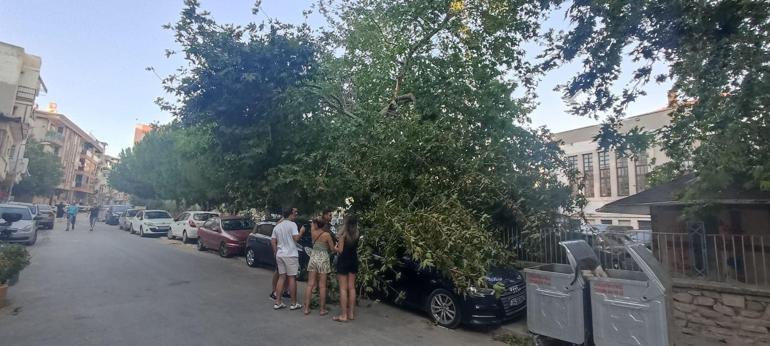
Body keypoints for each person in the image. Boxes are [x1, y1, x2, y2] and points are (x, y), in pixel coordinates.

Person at [271, 207, 306, 310]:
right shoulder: (292, 225)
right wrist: (302, 232)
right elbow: (296, 238)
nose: (296, 214)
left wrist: (275, 252)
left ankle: (278, 302)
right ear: (290, 214)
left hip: (280, 254)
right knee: (292, 278)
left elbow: (273, 241)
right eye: (294, 213)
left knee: (282, 277)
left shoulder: (278, 226)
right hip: (290, 254)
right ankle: (294, 303)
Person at [303, 218, 335, 315]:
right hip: (323, 258)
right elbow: (333, 249)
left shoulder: (313, 232)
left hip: (313, 257)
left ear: (316, 225)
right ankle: (322, 310)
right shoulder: (327, 235)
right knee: (322, 285)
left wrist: (315, 222)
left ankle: (306, 308)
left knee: (310, 284)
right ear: (324, 225)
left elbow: (312, 224)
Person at [333, 215, 360, 322]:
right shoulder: (357, 234)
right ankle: (351, 314)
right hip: (353, 261)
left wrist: (335, 248)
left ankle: (343, 315)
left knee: (343, 289)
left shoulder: (343, 235)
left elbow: (340, 250)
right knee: (352, 288)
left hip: (343, 261)